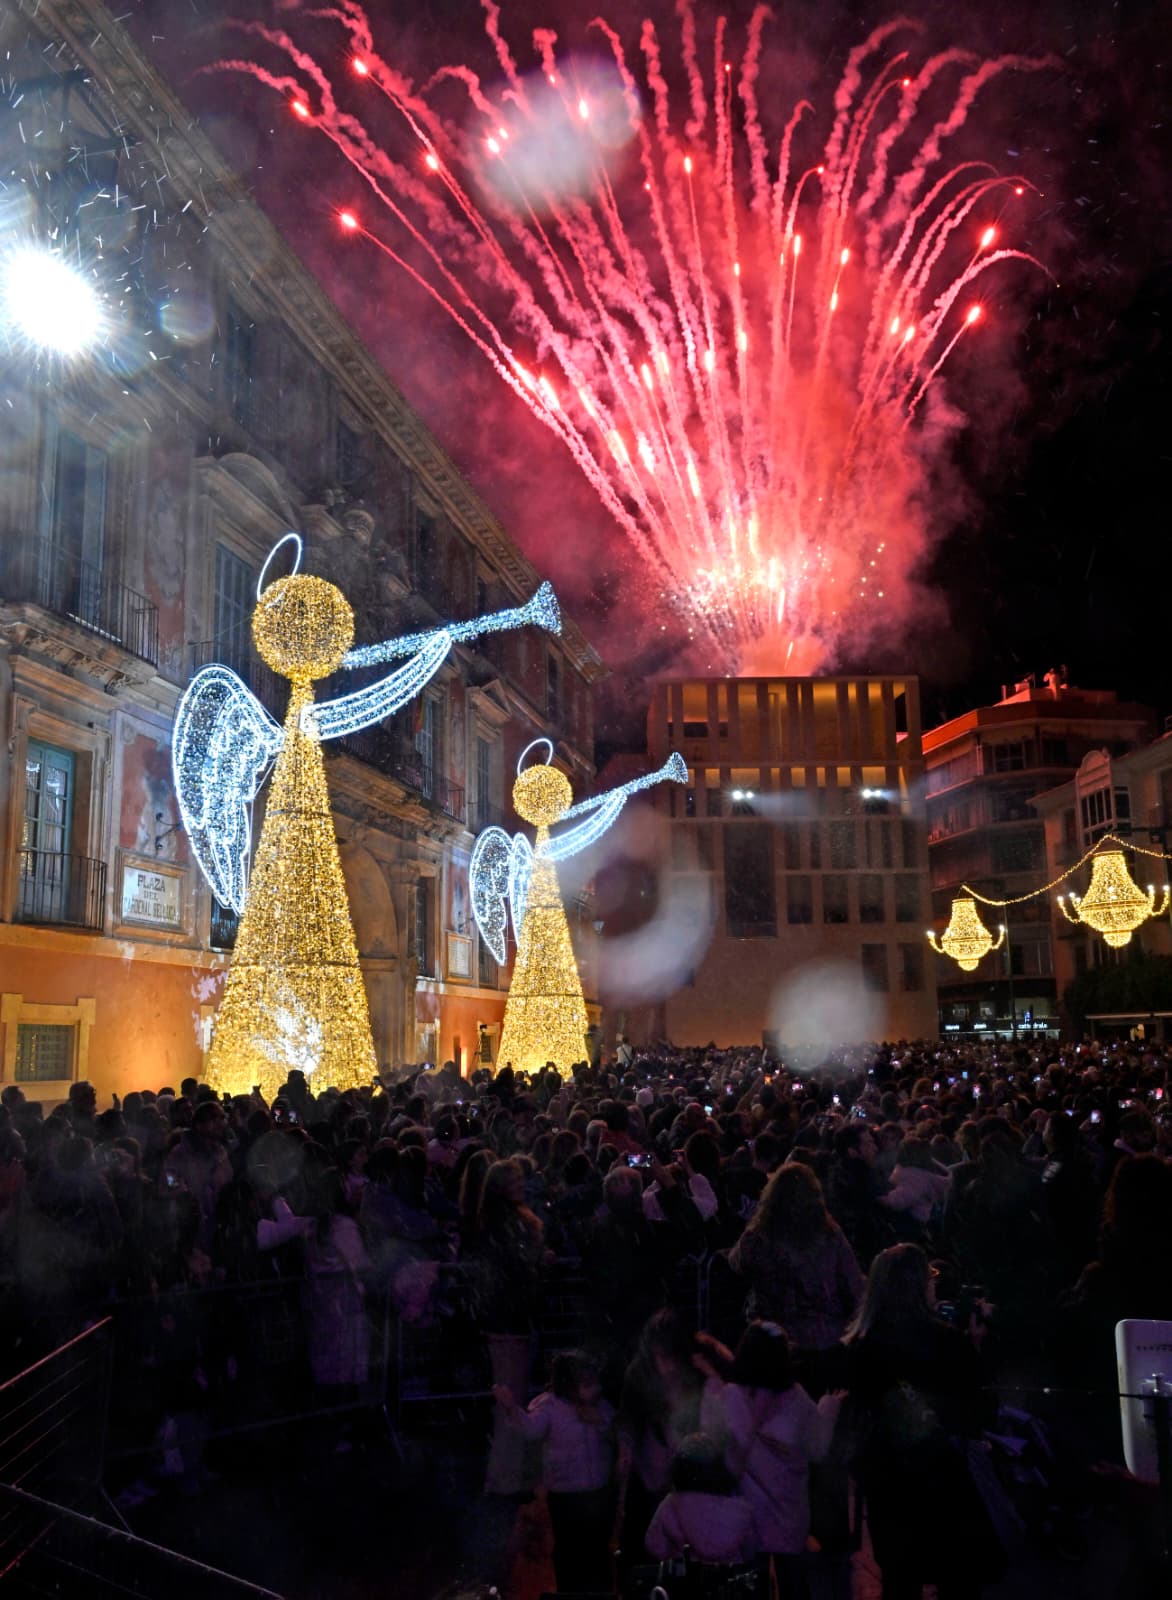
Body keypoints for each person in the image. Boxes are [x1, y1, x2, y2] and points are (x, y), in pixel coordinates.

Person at [845, 1243, 1002, 1600]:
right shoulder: (946, 1342)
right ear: (919, 1284)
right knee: (956, 1575)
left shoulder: (863, 1346)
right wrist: (977, 1345)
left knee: (899, 1578)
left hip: (887, 1478)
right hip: (940, 1475)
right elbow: (980, 1410)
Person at [699, 1321, 845, 1598]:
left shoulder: (730, 1396)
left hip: (746, 1514)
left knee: (750, 1587)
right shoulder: (795, 1398)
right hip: (789, 1511)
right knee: (794, 1586)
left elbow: (712, 1444)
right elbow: (817, 1448)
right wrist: (829, 1406)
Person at [727, 1163, 862, 1390]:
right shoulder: (830, 1234)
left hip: (774, 1344)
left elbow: (735, 1263)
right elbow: (854, 1285)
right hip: (825, 1340)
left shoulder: (759, 1237)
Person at [494, 1350, 616, 1594]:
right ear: (569, 1383)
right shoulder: (549, 1406)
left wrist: (599, 1421)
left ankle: (601, 1592)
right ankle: (570, 1593)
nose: (594, 1387)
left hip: (599, 1490)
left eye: (593, 1381)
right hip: (566, 1494)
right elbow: (530, 1429)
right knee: (570, 1550)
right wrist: (511, 1408)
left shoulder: (600, 1406)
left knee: (598, 1547)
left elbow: (614, 1428)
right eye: (586, 1382)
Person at [469, 1157, 547, 1495]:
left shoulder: (493, 1222)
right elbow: (516, 1268)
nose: (520, 1185)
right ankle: (505, 1478)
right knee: (510, 1399)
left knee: (509, 1396)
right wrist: (537, 1260)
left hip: (504, 1317)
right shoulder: (507, 1226)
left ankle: (507, 1474)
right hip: (509, 1319)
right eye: (513, 1181)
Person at [644, 1432, 758, 1567]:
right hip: (730, 1576)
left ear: (679, 1468)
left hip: (685, 1576)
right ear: (719, 1467)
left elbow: (655, 1546)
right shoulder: (740, 1510)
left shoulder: (670, 1505)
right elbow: (750, 1551)